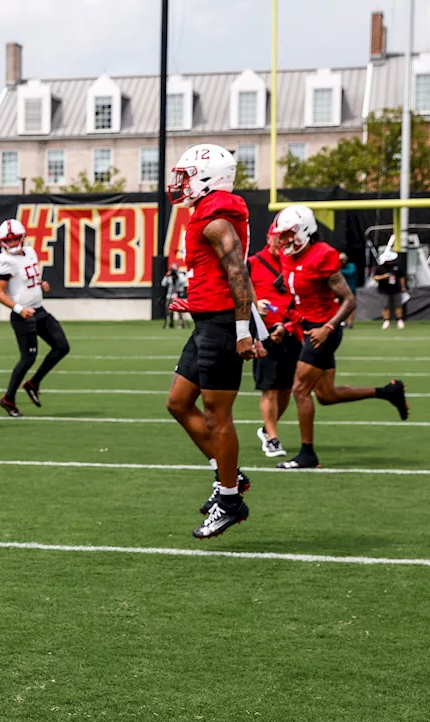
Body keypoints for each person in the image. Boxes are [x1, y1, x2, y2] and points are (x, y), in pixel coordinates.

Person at [163, 143, 263, 540]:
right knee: (177, 403)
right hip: (208, 320)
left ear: (207, 177)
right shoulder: (208, 212)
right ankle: (229, 472)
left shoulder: (216, 215)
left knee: (216, 415)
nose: (181, 184)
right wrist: (197, 300)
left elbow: (238, 271)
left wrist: (243, 332)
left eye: (186, 175)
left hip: (223, 327)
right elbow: (220, 274)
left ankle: (230, 498)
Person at [273, 205, 409, 470]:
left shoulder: (322, 255)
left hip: (324, 329)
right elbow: (296, 291)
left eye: (289, 233)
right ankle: (388, 392)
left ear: (304, 230)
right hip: (308, 326)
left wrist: (328, 328)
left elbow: (348, 300)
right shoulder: (288, 257)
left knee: (300, 390)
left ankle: (307, 454)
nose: (284, 239)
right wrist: (285, 322)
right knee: (326, 395)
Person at [0, 218, 68, 415]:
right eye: (8, 241)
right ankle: (8, 399)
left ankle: (33, 384)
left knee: (62, 347)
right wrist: (19, 309)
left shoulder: (31, 252)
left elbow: (26, 279)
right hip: (23, 315)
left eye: (15, 239)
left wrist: (41, 283)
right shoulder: (4, 261)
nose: (11, 244)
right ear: (2, 242)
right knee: (28, 358)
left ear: (23, 237)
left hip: (39, 309)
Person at [249, 222, 298, 459]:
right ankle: (272, 437)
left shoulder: (294, 262)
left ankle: (267, 429)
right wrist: (254, 305)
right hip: (265, 332)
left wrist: (286, 325)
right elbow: (239, 293)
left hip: (290, 329)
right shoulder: (253, 263)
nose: (282, 243)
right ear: (268, 238)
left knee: (287, 387)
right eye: (278, 238)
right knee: (269, 387)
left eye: (286, 238)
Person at [373, 248, 407, 330]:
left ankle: (399, 320)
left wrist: (403, 287)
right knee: (385, 306)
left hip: (396, 289)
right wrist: (383, 276)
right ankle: (386, 321)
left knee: (398, 305)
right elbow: (375, 277)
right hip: (384, 290)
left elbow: (402, 277)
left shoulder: (397, 267)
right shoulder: (380, 268)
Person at [162, 264, 189, 329]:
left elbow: (183, 282)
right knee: (169, 310)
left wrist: (177, 277)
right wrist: (166, 276)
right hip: (169, 295)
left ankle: (181, 324)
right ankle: (170, 323)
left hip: (177, 295)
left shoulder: (180, 275)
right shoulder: (169, 276)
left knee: (179, 311)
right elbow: (163, 284)